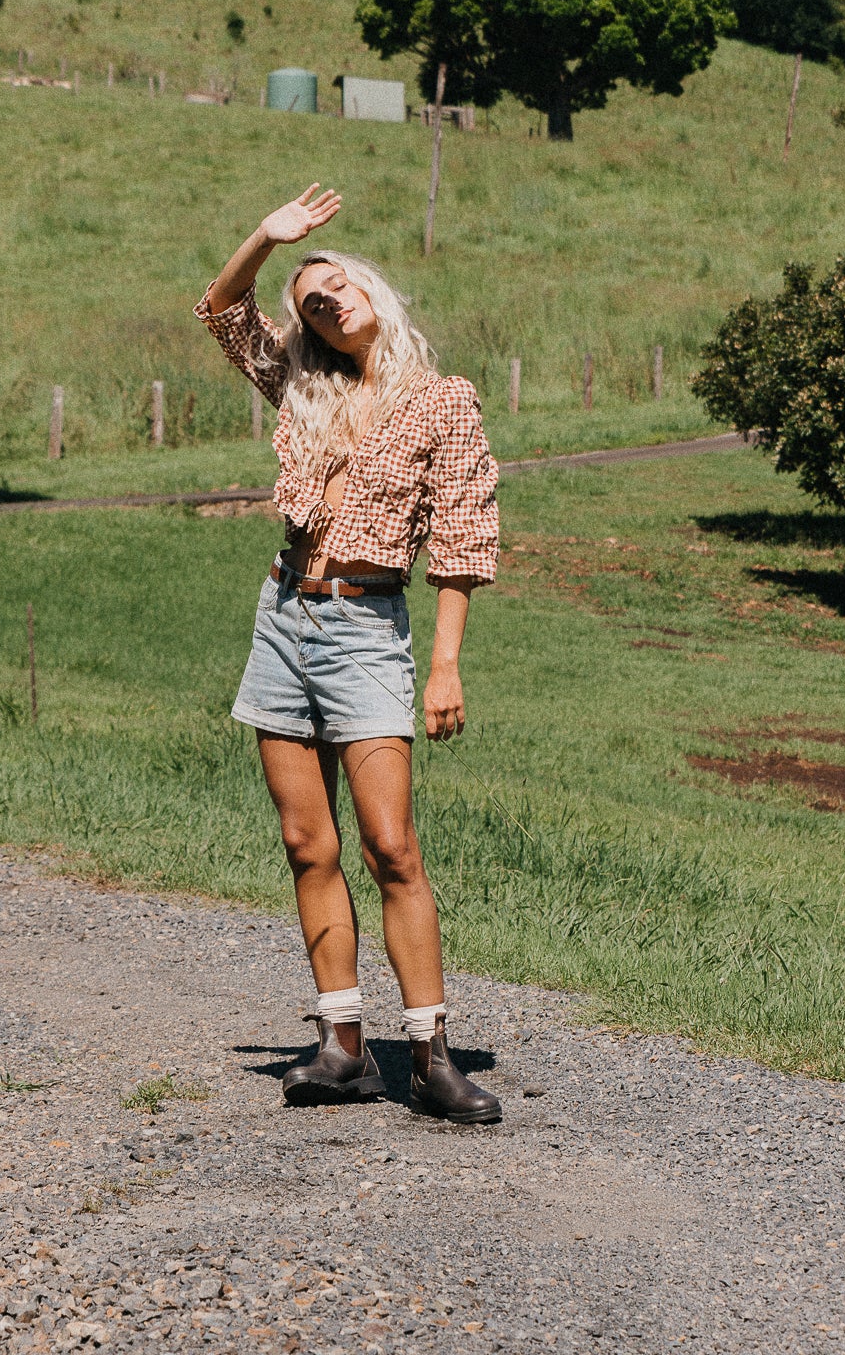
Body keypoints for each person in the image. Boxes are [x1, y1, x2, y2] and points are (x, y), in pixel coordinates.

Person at [195, 184, 502, 1124]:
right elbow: (220, 311)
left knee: (392, 848)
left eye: (334, 282)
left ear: (373, 291)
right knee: (305, 842)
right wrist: (265, 235)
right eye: (308, 300)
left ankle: (433, 1053)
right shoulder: (303, 385)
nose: (323, 297)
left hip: (370, 630)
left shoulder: (442, 403)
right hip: (284, 617)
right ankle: (342, 1047)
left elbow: (462, 538)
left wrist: (444, 665)